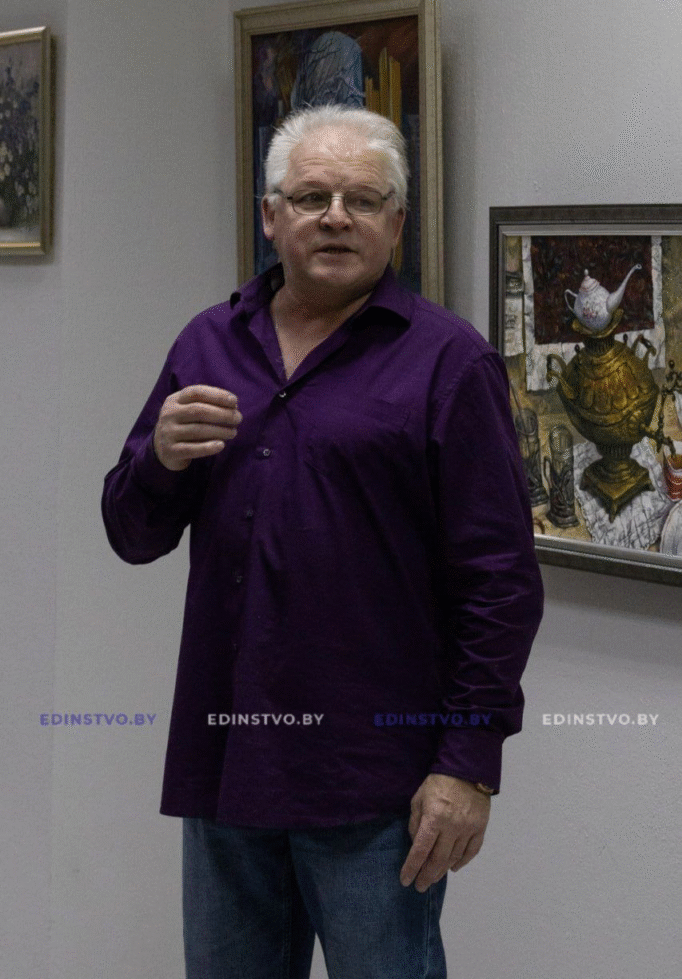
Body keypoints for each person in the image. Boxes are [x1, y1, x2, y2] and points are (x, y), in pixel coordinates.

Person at [102, 104, 543, 979]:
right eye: (311, 198)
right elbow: (131, 534)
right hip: (227, 764)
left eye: (362, 200)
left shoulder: (450, 363)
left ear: (396, 224)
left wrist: (468, 765)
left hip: (374, 782)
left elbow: (500, 582)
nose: (336, 217)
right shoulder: (209, 343)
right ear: (272, 217)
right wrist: (159, 459)